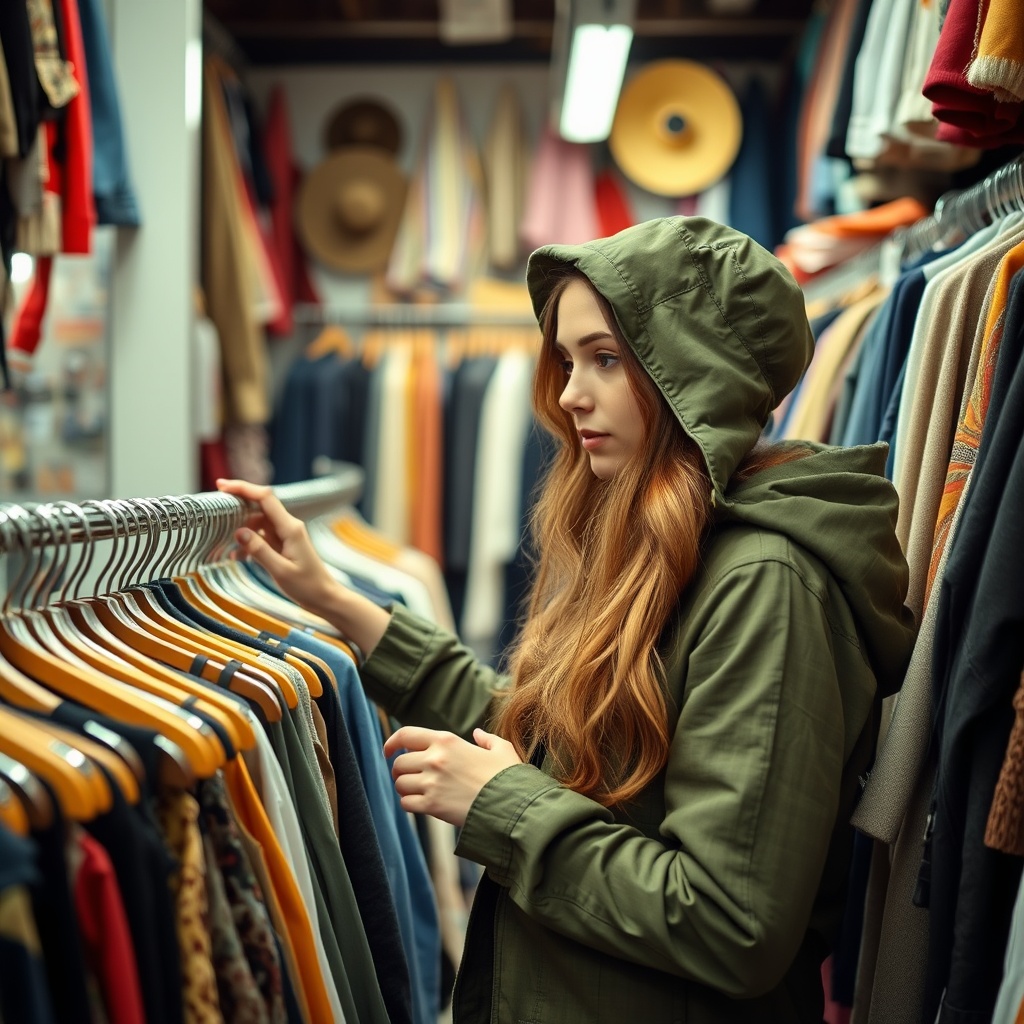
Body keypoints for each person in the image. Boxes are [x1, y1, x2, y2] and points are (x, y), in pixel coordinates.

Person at [218, 216, 917, 1023]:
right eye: (567, 359)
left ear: (695, 371)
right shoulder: (666, 545)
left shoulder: (766, 585)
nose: (570, 393)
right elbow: (551, 742)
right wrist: (336, 600)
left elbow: (733, 923)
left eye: (607, 360)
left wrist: (501, 806)